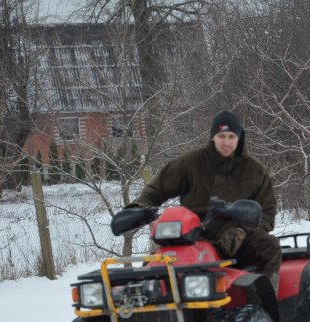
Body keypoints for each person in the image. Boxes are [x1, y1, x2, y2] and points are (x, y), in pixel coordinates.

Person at [116, 111, 281, 289]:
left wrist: (244, 231)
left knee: (269, 247)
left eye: (231, 137)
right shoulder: (191, 163)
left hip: (235, 235)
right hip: (192, 234)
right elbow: (157, 189)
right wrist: (139, 207)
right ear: (213, 137)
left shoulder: (254, 171)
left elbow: (267, 212)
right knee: (153, 268)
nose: (226, 142)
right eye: (221, 136)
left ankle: (264, 300)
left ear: (239, 138)